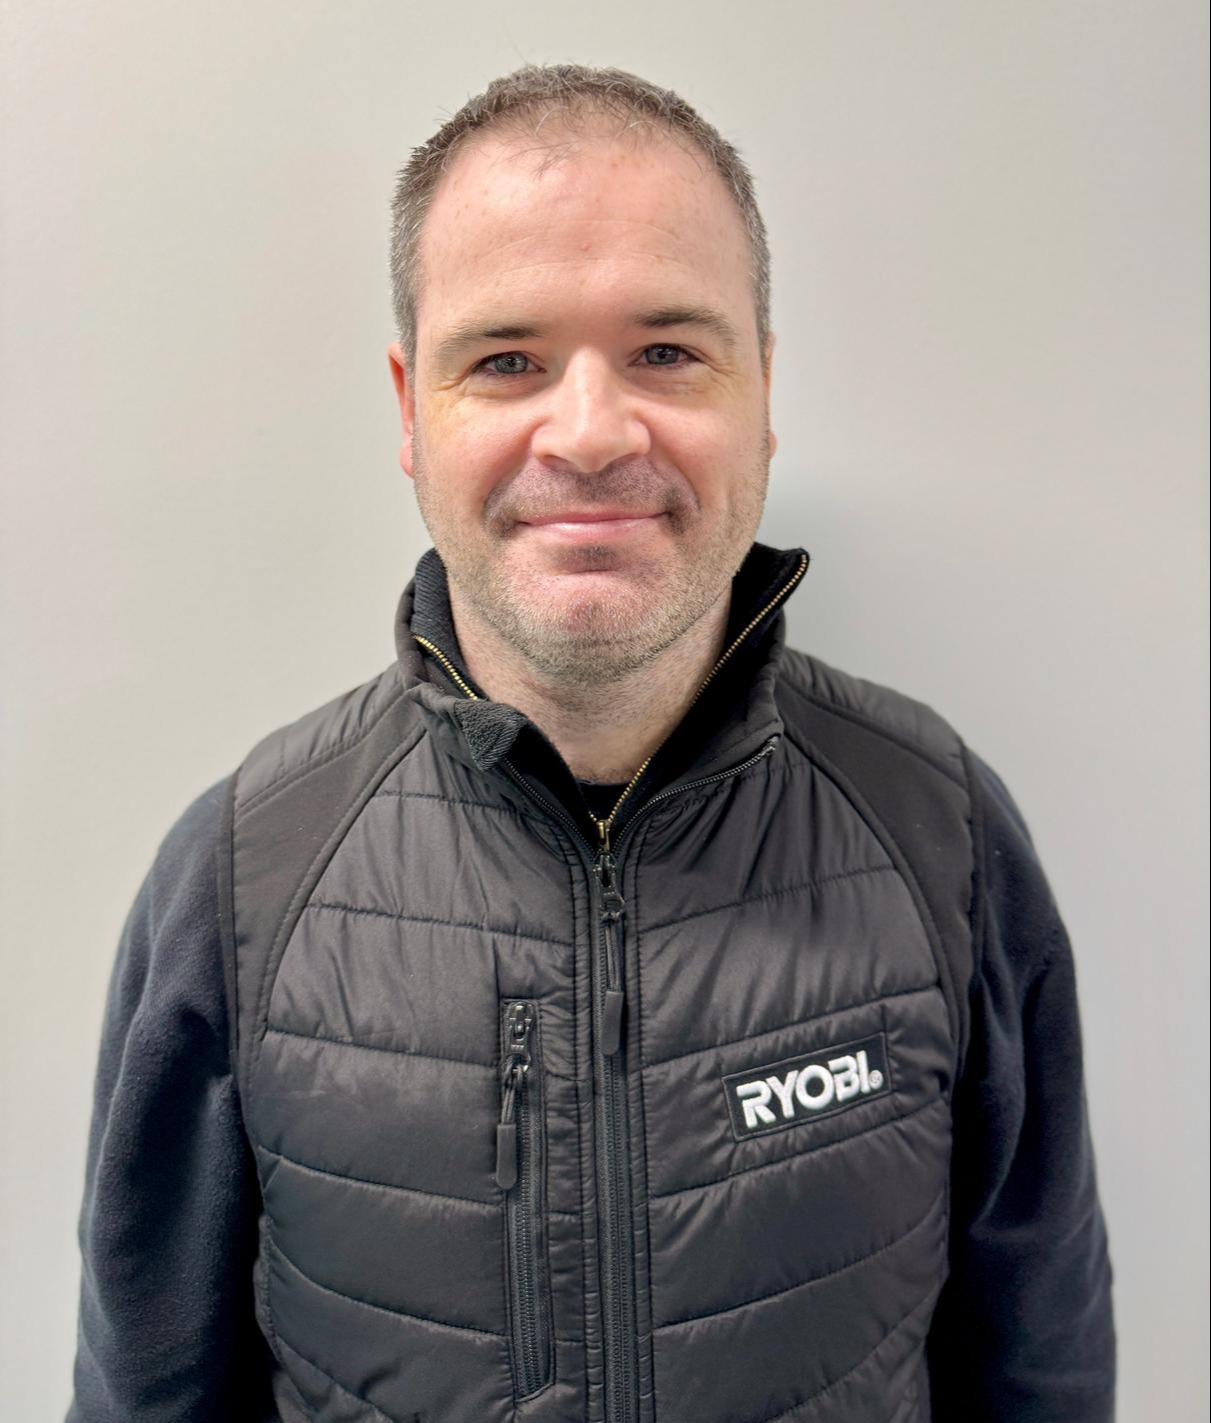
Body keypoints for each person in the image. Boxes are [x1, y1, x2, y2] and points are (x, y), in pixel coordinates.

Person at [67, 64, 1116, 1423]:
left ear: (763, 391)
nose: (590, 430)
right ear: (409, 409)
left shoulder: (942, 832)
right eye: (506, 360)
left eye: (667, 352)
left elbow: (1044, 1370)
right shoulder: (242, 880)